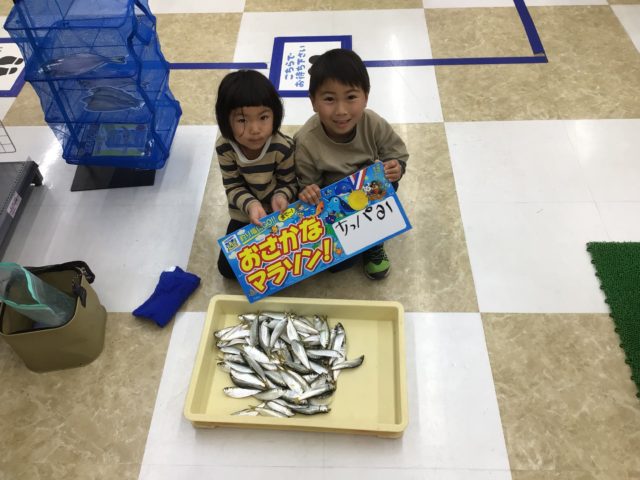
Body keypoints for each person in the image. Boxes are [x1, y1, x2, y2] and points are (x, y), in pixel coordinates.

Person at [294, 48, 409, 280]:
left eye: (351, 97)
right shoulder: (306, 141)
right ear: (313, 102)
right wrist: (308, 192)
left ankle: (374, 241)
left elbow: (396, 153)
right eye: (329, 99)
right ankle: (359, 241)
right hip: (333, 204)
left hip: (369, 193)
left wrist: (396, 167)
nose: (341, 111)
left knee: (389, 184)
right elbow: (306, 186)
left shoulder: (373, 123)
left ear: (366, 96)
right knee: (337, 266)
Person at [215, 70, 298, 279]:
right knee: (227, 269)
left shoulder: (283, 146)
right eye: (242, 120)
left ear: (275, 116)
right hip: (245, 214)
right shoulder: (225, 147)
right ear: (225, 120)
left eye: (263, 117)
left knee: (297, 257)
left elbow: (290, 182)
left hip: (279, 211)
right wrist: (251, 205)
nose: (255, 129)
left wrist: (281, 196)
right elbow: (233, 186)